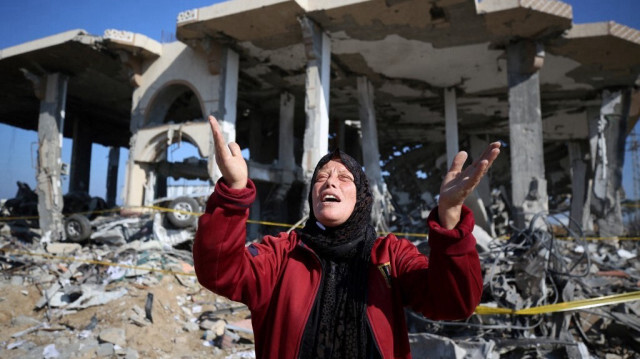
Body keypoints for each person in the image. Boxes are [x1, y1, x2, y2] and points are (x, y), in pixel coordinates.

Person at [194, 115, 501, 358]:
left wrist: (449, 215)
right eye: (322, 178)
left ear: (362, 197)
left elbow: (455, 303)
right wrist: (233, 192)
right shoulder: (281, 254)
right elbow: (220, 272)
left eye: (344, 178)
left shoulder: (390, 255)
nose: (330, 183)